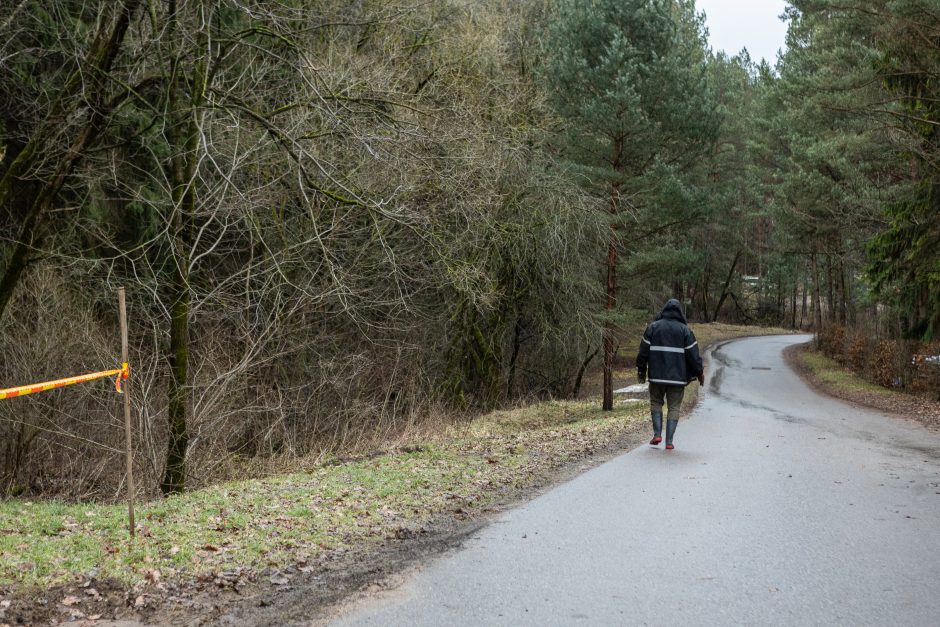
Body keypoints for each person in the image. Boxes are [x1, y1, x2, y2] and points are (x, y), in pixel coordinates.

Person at [635, 299, 704, 450]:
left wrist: (641, 370)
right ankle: (669, 442)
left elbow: (643, 352)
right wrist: (699, 372)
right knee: (674, 407)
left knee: (656, 402)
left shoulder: (653, 327)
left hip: (656, 376)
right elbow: (694, 355)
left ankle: (657, 434)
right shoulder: (685, 331)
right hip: (677, 379)